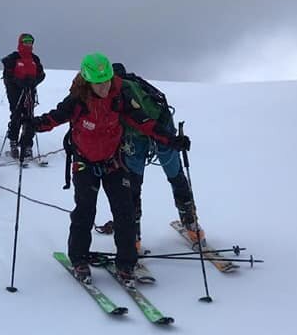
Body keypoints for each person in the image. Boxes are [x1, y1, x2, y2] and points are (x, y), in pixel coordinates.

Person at [21, 52, 189, 287]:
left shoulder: (120, 96)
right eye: (99, 82)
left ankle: (126, 264)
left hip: (114, 162)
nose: (104, 86)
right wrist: (33, 125)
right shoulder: (78, 100)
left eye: (107, 80)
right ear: (88, 81)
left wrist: (171, 140)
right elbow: (56, 117)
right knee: (85, 212)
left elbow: (144, 122)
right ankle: (79, 259)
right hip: (84, 164)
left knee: (125, 213)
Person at [111, 62, 201, 246]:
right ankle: (191, 223)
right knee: (175, 176)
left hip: (151, 132)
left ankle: (133, 236)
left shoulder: (121, 92)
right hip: (158, 129)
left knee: (134, 184)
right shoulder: (134, 87)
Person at [1, 33, 45, 159]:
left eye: (30, 42)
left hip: (30, 91)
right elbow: (7, 76)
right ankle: (13, 142)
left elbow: (42, 74)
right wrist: (18, 81)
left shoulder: (35, 59)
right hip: (15, 92)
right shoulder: (14, 57)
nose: (28, 44)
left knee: (29, 117)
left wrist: (34, 81)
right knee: (16, 116)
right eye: (26, 41)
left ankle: (27, 145)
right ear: (20, 42)